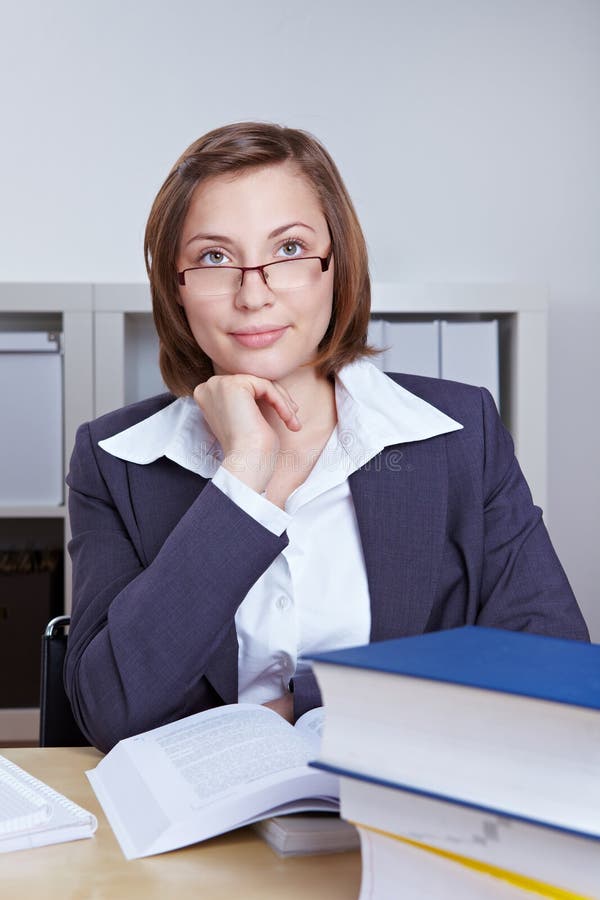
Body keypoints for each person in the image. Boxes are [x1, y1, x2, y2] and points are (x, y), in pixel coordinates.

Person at [64, 122, 589, 753]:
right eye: (213, 257)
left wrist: (298, 708)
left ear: (335, 267)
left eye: (288, 250)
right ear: (175, 291)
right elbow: (111, 712)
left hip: (407, 825)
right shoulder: (116, 460)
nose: (252, 294)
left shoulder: (459, 434)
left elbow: (552, 671)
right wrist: (243, 477)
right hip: (200, 843)